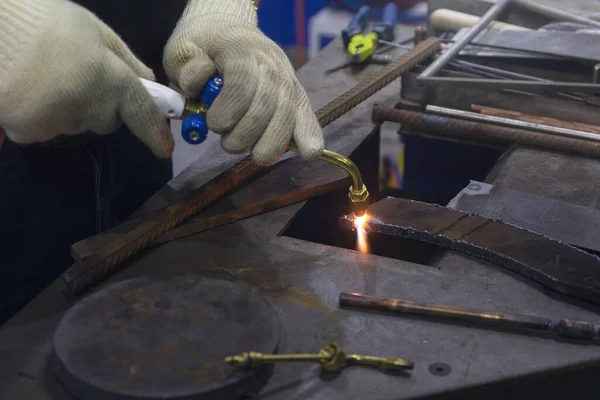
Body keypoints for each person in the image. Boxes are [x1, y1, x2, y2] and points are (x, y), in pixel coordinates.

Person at [0, 0, 325, 324]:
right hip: (14, 149)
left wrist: (221, 8)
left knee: (150, 309)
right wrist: (8, 28)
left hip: (139, 115)